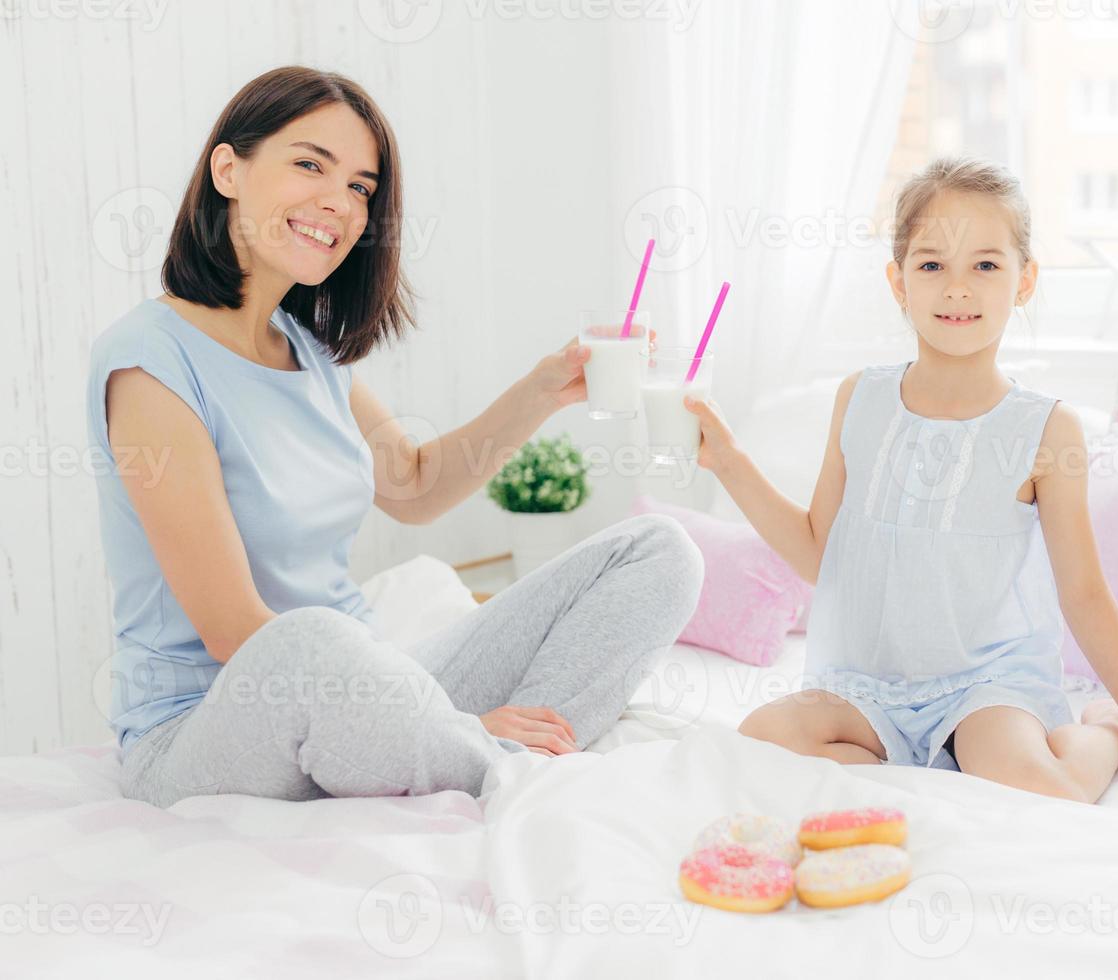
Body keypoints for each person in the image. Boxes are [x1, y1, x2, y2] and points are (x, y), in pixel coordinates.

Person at [86, 66, 702, 808]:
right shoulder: (152, 363)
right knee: (310, 642)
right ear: (229, 169)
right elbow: (236, 632)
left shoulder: (304, 347)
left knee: (659, 551)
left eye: (360, 187)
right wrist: (449, 719)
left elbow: (410, 484)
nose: (337, 202)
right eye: (310, 164)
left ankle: (503, 753)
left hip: (370, 688)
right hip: (205, 732)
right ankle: (494, 762)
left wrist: (546, 389)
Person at [682, 158, 1118, 803]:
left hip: (986, 684)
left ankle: (1110, 732)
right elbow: (819, 553)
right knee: (761, 742)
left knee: (1048, 789)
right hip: (866, 684)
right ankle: (930, 766)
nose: (957, 289)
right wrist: (726, 458)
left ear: (1024, 280)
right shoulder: (858, 400)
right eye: (931, 266)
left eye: (984, 265)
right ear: (898, 282)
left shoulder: (1046, 430)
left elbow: (1084, 595)